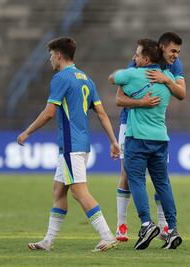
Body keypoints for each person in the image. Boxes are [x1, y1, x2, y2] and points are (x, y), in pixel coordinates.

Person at [17, 37, 120, 252]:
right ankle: (47, 241)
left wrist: (27, 132)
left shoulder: (61, 78)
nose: (49, 60)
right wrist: (113, 141)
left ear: (58, 54)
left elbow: (49, 112)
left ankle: (107, 235)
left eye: (50, 55)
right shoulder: (86, 79)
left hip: (71, 144)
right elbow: (101, 113)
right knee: (59, 191)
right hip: (79, 144)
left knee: (78, 191)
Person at [109, 39, 183, 250]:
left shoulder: (132, 74)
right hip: (160, 138)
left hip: (137, 137)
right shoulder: (168, 77)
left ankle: (146, 224)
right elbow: (181, 93)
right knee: (162, 183)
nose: (134, 58)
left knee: (136, 180)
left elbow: (112, 78)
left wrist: (126, 74)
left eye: (137, 55)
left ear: (146, 58)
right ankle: (172, 229)